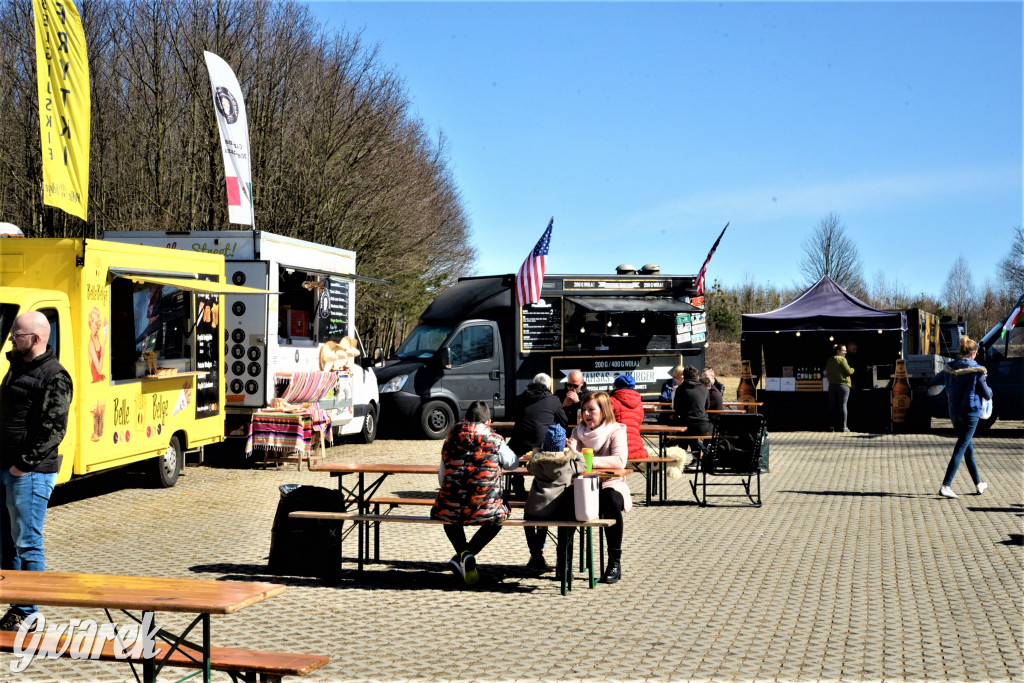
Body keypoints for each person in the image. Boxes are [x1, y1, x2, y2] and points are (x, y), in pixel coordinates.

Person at [0, 311, 73, 631]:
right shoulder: (17, 367)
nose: (12, 338)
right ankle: (14, 603)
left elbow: (53, 431)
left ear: (37, 338)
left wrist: (21, 466)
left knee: (27, 542)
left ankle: (27, 610)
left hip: (29, 474)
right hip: (7, 468)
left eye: (18, 334)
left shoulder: (55, 375)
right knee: (6, 543)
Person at [430, 401, 519, 585]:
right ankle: (467, 553)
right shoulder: (496, 440)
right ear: (489, 422)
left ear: (464, 419)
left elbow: (441, 479)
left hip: (452, 507)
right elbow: (513, 463)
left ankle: (462, 554)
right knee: (499, 519)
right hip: (485, 508)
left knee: (447, 516)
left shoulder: (449, 441)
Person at [567, 391, 630, 583]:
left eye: (591, 410)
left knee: (610, 500)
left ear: (603, 411)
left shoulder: (616, 431)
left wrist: (587, 460)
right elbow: (570, 457)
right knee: (564, 499)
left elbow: (619, 461)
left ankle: (614, 562)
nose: (586, 414)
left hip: (611, 484)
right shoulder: (578, 431)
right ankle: (565, 561)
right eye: (584, 410)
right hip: (582, 485)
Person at [524, 424, 587, 576]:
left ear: (545, 444)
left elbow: (528, 466)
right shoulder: (568, 463)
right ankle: (562, 562)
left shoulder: (538, 463)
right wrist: (574, 451)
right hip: (558, 511)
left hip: (536, 511)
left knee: (529, 522)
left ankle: (536, 553)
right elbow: (583, 466)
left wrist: (539, 450)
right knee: (566, 520)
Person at [939, 337, 991, 499]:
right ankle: (946, 485)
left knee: (968, 448)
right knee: (961, 448)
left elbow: (948, 389)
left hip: (954, 411)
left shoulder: (950, 368)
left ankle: (978, 484)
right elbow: (986, 394)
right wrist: (991, 391)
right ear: (973, 353)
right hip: (971, 412)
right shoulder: (978, 371)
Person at [508, 373, 567, 505]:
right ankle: (545, 489)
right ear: (549, 386)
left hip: (520, 442)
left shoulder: (520, 398)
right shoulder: (553, 400)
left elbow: (515, 416)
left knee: (512, 450)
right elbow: (564, 421)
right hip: (543, 443)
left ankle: (517, 485)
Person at [672, 366, 712, 469]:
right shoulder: (704, 390)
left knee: (683, 432)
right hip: (703, 425)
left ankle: (682, 460)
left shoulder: (680, 389)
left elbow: (677, 409)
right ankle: (695, 459)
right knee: (690, 434)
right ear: (697, 377)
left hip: (687, 424)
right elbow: (707, 406)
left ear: (684, 377)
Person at [608, 374, 648, 459]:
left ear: (615, 387)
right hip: (637, 448)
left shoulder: (611, 401)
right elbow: (639, 422)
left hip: (617, 448)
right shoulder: (640, 403)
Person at [825, 344, 854, 432]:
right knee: (843, 406)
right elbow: (848, 371)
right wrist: (853, 369)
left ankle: (831, 426)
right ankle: (844, 427)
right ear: (838, 351)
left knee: (832, 406)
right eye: (843, 350)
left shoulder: (829, 360)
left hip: (832, 385)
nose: (845, 352)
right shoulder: (842, 359)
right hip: (843, 385)